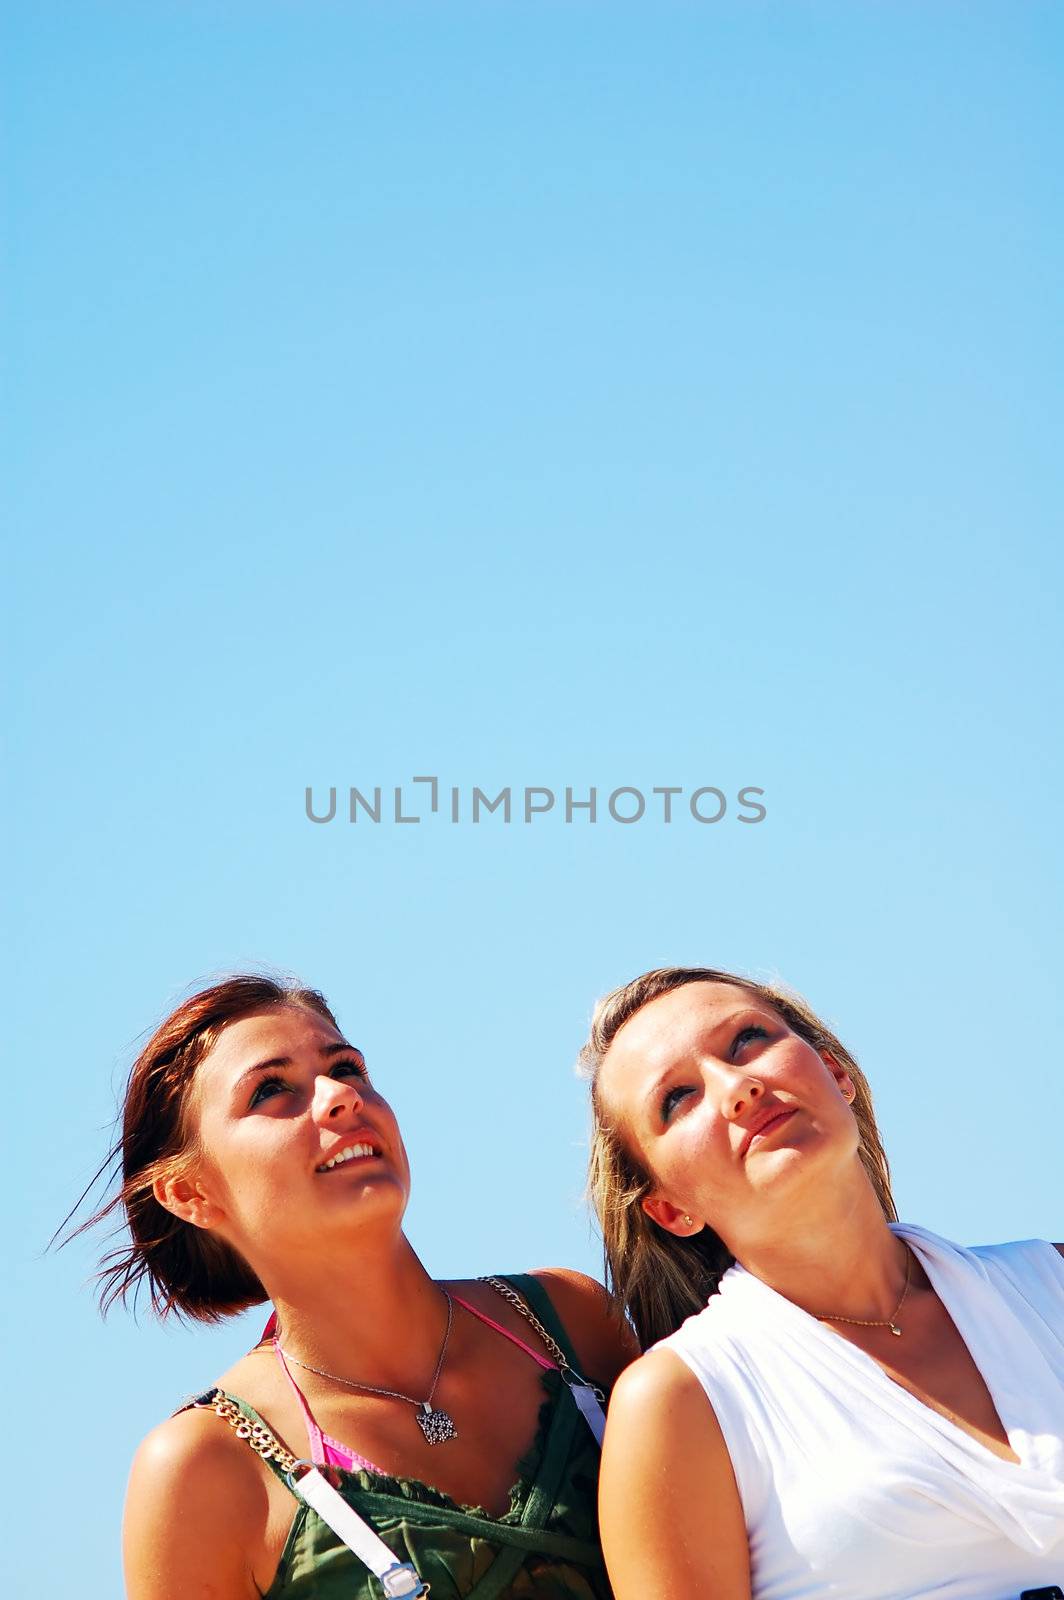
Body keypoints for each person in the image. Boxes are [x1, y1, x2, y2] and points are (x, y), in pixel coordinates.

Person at [86, 974, 634, 1599]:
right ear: (191, 1194)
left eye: (346, 1068)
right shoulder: (202, 1468)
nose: (339, 1098)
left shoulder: (568, 1320)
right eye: (271, 1090)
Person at [580, 965, 1064, 1600]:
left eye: (748, 1040)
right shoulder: (679, 1401)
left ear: (836, 1075)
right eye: (678, 1098)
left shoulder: (1051, 1280)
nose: (739, 1086)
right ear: (671, 1208)